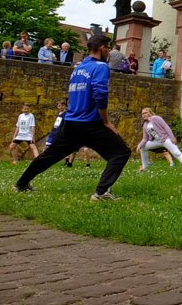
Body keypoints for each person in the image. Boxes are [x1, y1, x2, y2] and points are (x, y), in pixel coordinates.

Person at [14, 34, 132, 201]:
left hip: (71, 123)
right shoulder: (100, 67)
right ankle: (101, 193)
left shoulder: (78, 68)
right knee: (120, 153)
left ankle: (21, 184)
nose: (109, 54)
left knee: (50, 156)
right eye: (108, 49)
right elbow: (100, 94)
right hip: (90, 124)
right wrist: (106, 121)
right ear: (102, 48)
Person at [137, 108, 182, 173]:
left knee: (176, 153)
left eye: (145, 112)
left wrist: (172, 137)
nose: (144, 115)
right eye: (142, 113)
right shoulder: (145, 125)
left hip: (165, 139)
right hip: (156, 141)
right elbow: (145, 138)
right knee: (142, 148)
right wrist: (139, 145)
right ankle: (145, 168)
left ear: (150, 112)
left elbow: (166, 127)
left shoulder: (156, 118)